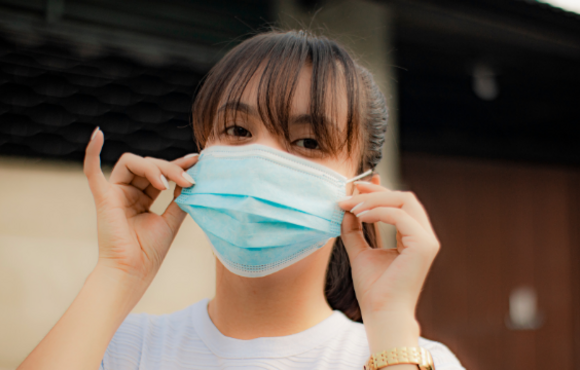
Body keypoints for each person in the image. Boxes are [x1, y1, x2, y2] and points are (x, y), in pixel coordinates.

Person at [18, 30, 465, 370]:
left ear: (362, 187)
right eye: (237, 131)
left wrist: (389, 324)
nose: (260, 159)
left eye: (308, 140)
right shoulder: (118, 348)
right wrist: (117, 272)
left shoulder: (410, 357)